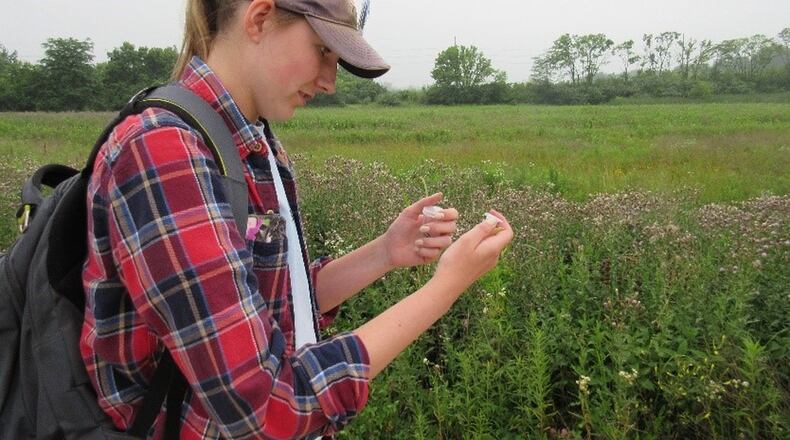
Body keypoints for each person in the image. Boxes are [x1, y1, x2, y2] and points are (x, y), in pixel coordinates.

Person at [80, 0, 514, 438]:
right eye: (323, 51)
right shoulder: (162, 153)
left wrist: (385, 252)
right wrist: (445, 288)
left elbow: (271, 297)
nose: (330, 82)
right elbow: (265, 407)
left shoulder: (255, 147)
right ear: (260, 18)